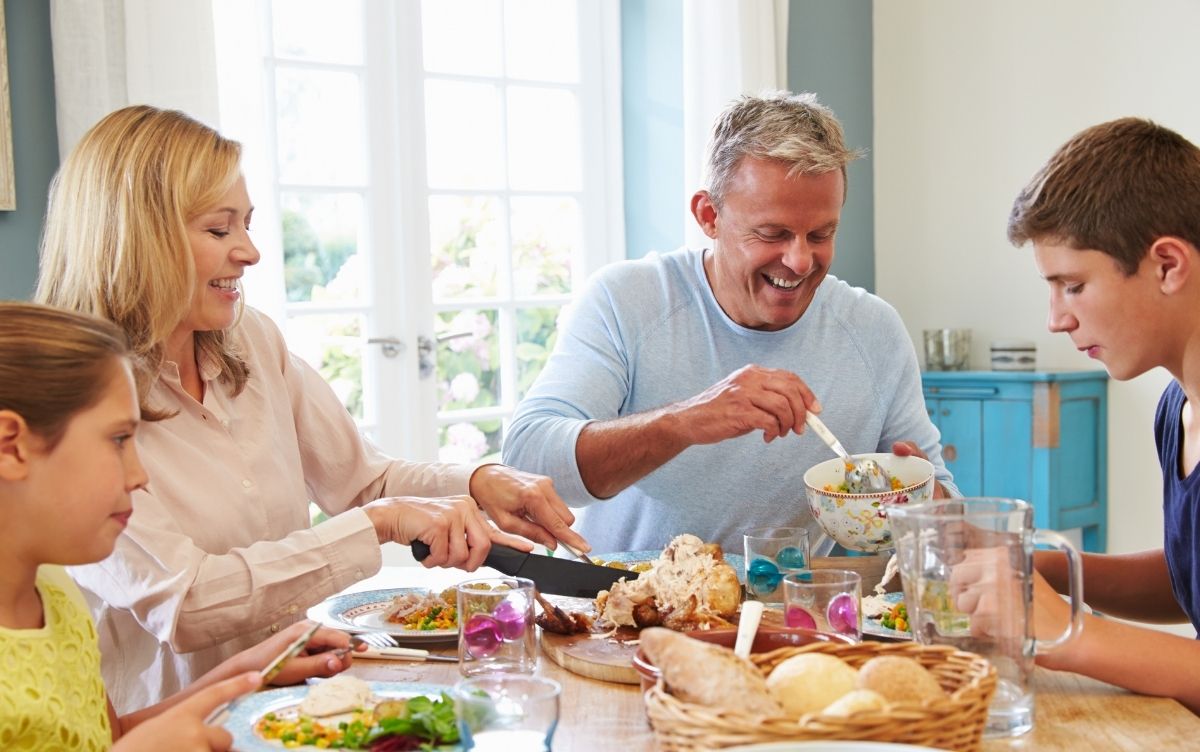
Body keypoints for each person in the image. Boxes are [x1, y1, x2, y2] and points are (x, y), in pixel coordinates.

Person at [34, 105, 588, 712]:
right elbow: (186, 603)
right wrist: (381, 523)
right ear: (137, 238)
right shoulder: (76, 404)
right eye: (219, 231)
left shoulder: (252, 340)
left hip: (301, 703)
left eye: (247, 225)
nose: (250, 252)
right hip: (177, 725)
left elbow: (364, 480)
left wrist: (481, 482)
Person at [502, 91, 956, 556]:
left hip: (784, 618)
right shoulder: (626, 300)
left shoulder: (873, 330)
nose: (800, 261)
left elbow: (944, 506)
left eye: (821, 234)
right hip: (622, 617)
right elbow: (525, 460)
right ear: (709, 215)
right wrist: (687, 421)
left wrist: (926, 499)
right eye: (772, 233)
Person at [0, 302, 363, 751]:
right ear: (11, 446)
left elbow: (109, 738)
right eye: (118, 440)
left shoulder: (52, 594)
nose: (139, 475)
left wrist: (248, 675)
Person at [976, 116, 1200, 713]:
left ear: (1167, 265)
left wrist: (1068, 633)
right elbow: (1191, 579)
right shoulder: (1177, 410)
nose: (1056, 318)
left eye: (1072, 285)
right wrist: (1045, 569)